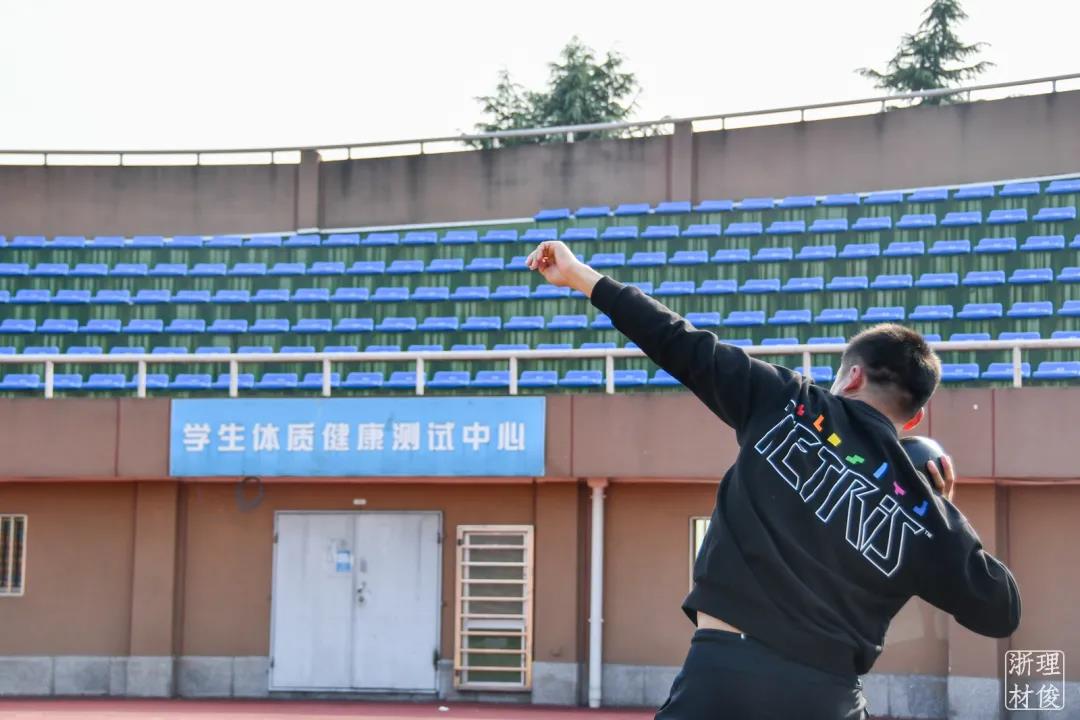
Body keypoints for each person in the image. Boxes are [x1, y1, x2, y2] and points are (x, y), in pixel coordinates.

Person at [526, 241, 1021, 720]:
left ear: (851, 377)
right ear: (913, 420)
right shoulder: (922, 510)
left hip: (723, 674)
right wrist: (940, 511)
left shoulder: (789, 400)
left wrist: (578, 275)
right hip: (828, 697)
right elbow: (1001, 610)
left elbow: (675, 339)